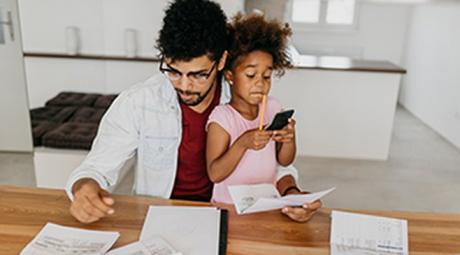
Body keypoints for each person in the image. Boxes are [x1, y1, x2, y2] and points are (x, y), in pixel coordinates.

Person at [66, 0, 317, 224]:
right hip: (161, 216)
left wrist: (291, 194)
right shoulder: (138, 102)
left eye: (198, 74)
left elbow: (275, 166)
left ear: (221, 62)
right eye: (173, 71)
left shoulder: (247, 101)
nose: (184, 86)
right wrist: (84, 188)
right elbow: (96, 167)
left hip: (231, 215)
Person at [206, 13, 321, 222]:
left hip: (267, 205)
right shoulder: (222, 118)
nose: (260, 83)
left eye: (266, 76)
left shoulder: (273, 107)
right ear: (230, 76)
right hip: (229, 210)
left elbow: (284, 160)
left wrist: (289, 138)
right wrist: (242, 143)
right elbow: (215, 173)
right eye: (251, 75)